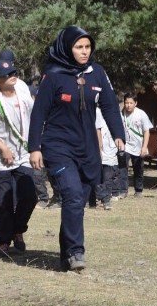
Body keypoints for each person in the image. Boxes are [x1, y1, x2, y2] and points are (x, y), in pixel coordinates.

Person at [29, 26, 124, 272]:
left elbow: (110, 106)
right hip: (57, 145)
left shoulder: (97, 73)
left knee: (77, 202)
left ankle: (65, 255)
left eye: (87, 47)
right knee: (71, 195)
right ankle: (76, 251)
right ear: (67, 48)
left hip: (87, 147)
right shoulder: (53, 75)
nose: (84, 52)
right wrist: (34, 147)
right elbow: (38, 114)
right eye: (79, 47)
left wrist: (118, 136)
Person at [0, 60, 38, 257]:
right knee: (4, 201)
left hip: (23, 156)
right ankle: (4, 240)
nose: (12, 76)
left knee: (30, 196)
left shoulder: (24, 99)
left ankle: (18, 229)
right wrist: (3, 148)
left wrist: (35, 148)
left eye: (13, 73)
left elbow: (36, 120)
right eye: (6, 75)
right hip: (1, 160)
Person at [118, 93, 152, 198]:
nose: (128, 105)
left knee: (138, 168)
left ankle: (138, 190)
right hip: (125, 145)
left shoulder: (141, 114)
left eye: (131, 103)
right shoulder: (120, 114)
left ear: (135, 103)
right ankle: (123, 190)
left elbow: (147, 131)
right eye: (126, 102)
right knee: (123, 168)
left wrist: (144, 147)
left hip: (138, 146)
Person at [88, 107, 119, 210]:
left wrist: (99, 148)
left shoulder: (98, 111)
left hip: (99, 148)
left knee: (101, 176)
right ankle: (91, 201)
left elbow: (99, 130)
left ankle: (105, 200)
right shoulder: (94, 110)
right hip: (85, 146)